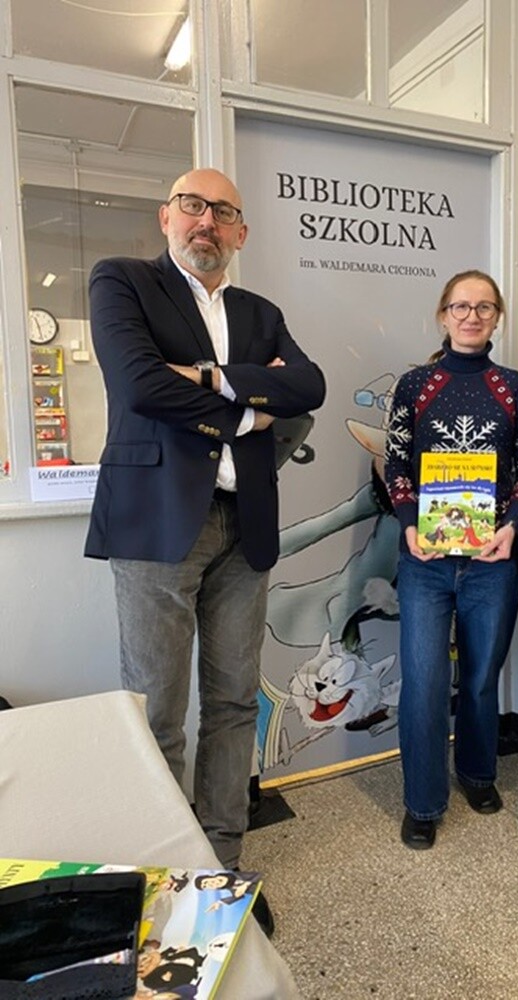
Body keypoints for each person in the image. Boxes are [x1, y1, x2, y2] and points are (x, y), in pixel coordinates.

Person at [84, 168, 326, 927]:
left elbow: (310, 387)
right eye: (193, 206)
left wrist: (215, 376)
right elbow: (139, 388)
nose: (207, 223)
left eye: (224, 212)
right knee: (157, 709)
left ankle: (220, 870)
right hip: (158, 525)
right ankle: (162, 877)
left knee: (229, 705)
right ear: (166, 217)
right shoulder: (121, 282)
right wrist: (248, 413)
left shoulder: (260, 311)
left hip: (243, 522)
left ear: (241, 232)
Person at [384, 270, 518, 849]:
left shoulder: (515, 387)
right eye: (460, 306)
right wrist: (407, 526)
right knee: (423, 681)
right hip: (425, 558)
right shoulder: (415, 384)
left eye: (484, 307)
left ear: (497, 317)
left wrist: (512, 527)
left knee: (477, 679)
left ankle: (477, 772)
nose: (472, 316)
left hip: (493, 559)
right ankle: (422, 801)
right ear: (442, 315)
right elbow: (396, 466)